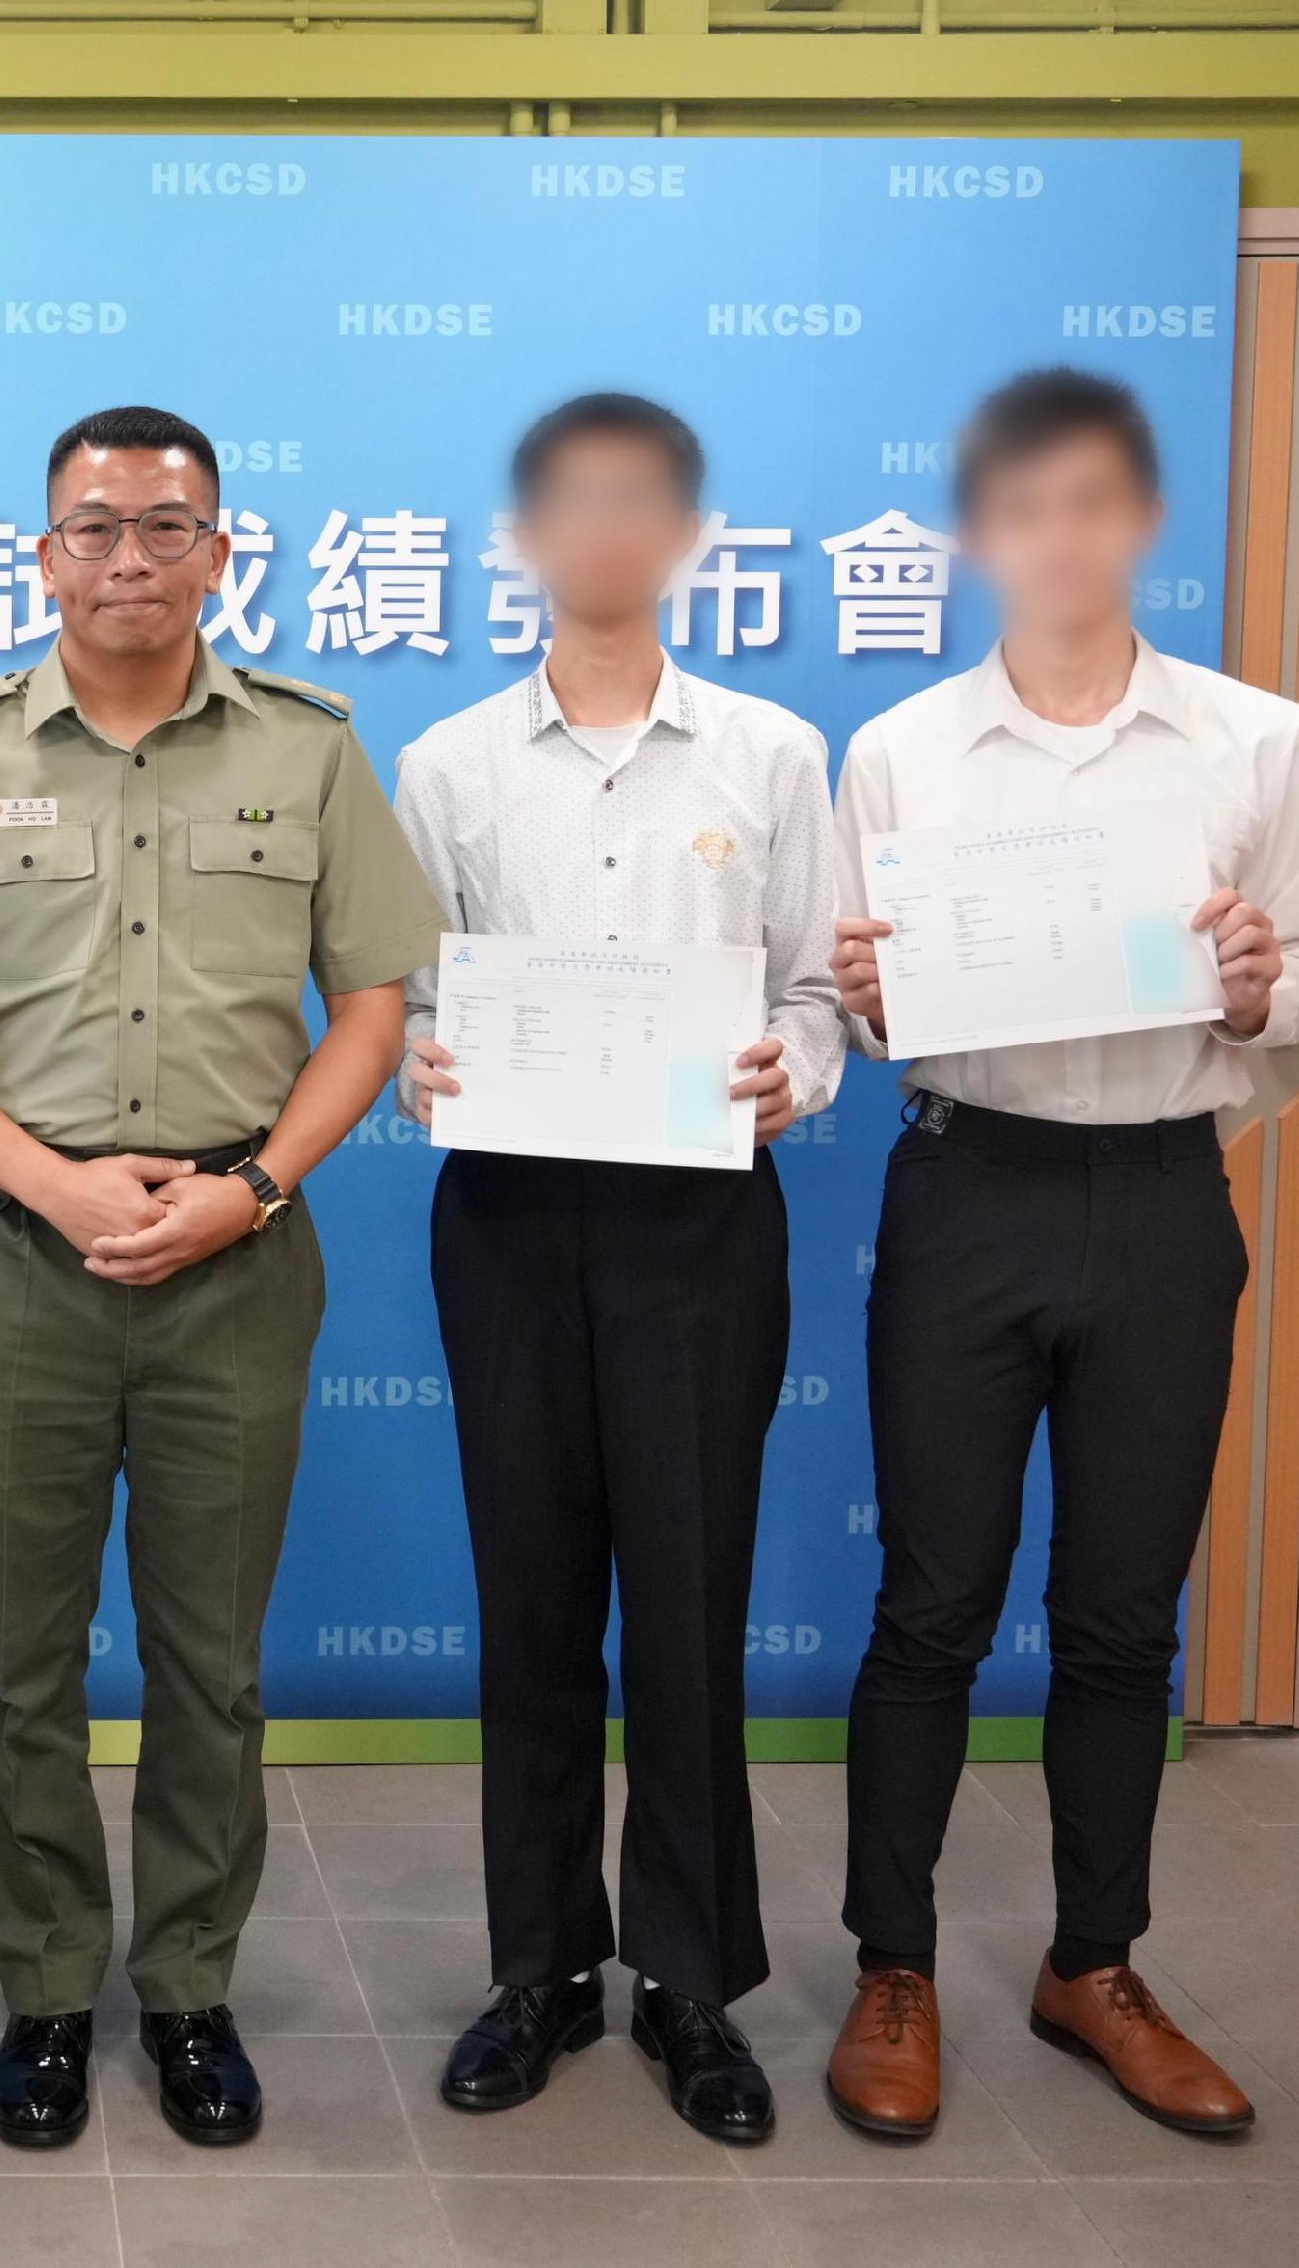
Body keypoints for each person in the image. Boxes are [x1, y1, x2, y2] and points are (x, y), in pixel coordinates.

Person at [0, 405, 440, 2153]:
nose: (127, 560)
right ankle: (44, 1984)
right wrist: (52, 1180)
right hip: (22, 1258)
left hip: (236, 1265)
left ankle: (187, 1988)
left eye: (165, 528)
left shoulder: (312, 747)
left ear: (218, 552)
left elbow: (377, 1008)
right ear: (43, 554)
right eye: (93, 529)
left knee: (212, 1660)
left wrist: (250, 1188)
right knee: (21, 1658)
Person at [822, 368, 1299, 2143]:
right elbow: (854, 1001)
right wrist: (874, 998)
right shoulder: (899, 748)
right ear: (980, 536)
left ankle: (1093, 1963)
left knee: (1124, 1609)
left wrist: (1276, 982)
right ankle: (893, 1964)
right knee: (931, 1603)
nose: (1062, 537)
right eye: (1025, 507)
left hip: (1163, 1195)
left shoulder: (1259, 738)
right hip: (968, 1187)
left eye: (1095, 503)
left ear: (1143, 522)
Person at [395, 393, 840, 2148]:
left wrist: (783, 1077)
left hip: (697, 1223)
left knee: (689, 1601)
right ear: (525, 537)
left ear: (683, 533)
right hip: (508, 1217)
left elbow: (816, 998)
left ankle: (692, 1982)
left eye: (636, 501)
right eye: (568, 503)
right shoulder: (445, 766)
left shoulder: (770, 752)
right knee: (531, 1603)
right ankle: (538, 1969)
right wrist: (429, 1055)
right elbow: (413, 997)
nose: (602, 531)